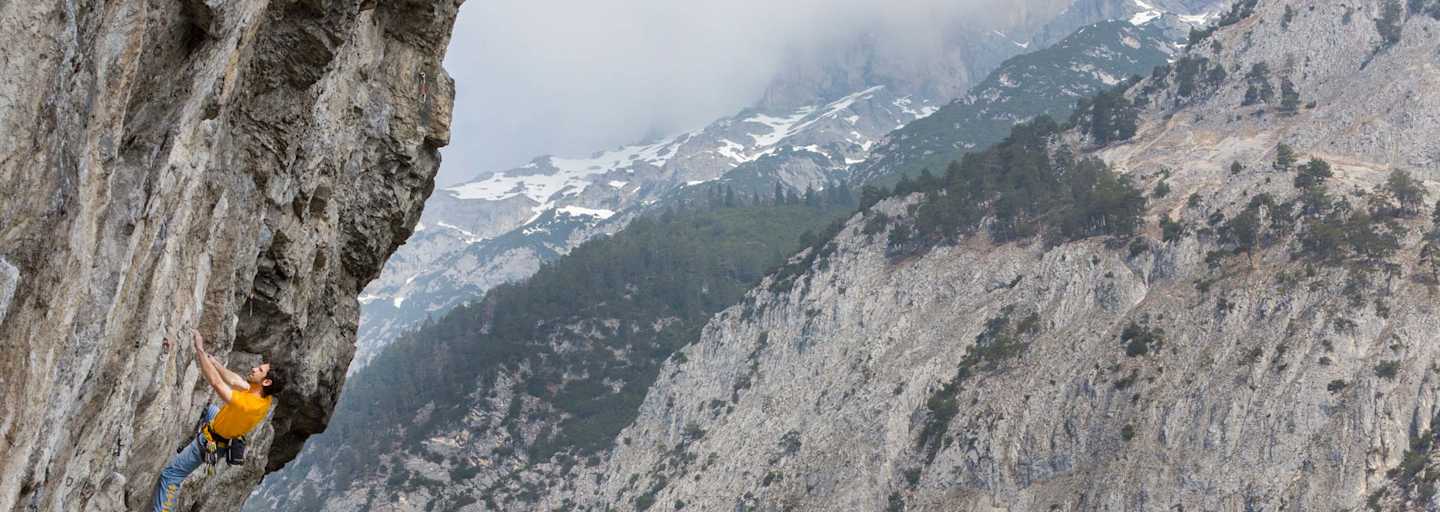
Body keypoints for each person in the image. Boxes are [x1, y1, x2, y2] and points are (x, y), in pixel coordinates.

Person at [152, 330, 285, 512]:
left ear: (267, 382)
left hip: (210, 442)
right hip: (222, 427)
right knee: (210, 409)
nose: (255, 368)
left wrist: (199, 350)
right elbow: (235, 380)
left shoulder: (248, 404)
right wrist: (215, 362)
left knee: (170, 476)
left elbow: (216, 383)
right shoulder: (263, 397)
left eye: (260, 370)